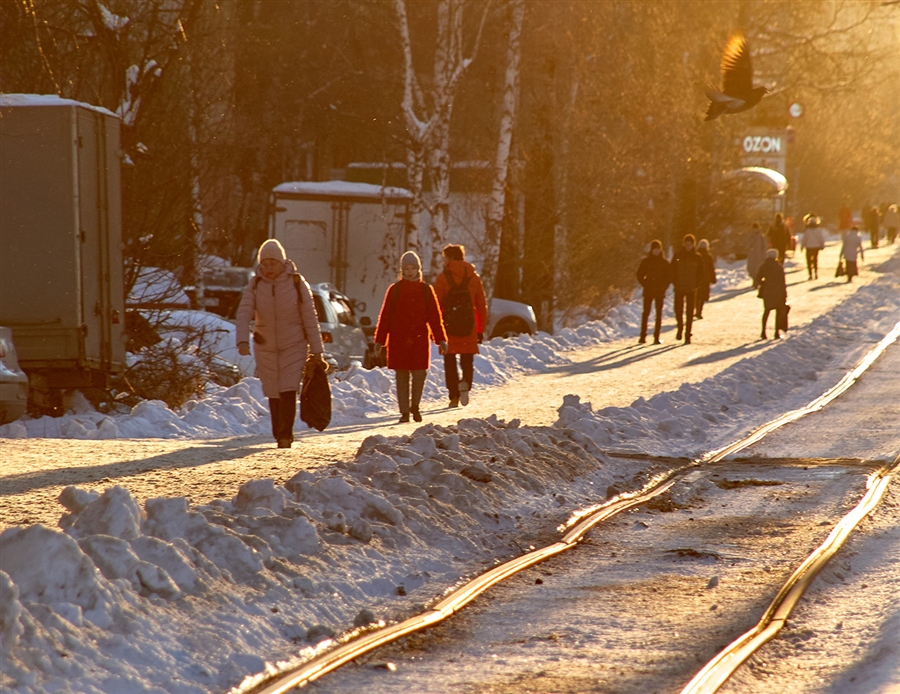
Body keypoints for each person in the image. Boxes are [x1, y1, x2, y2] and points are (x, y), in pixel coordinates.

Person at [236, 239, 326, 448]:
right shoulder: (255, 284)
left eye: (273, 263)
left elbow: (310, 317)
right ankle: (279, 432)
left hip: (294, 343)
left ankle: (286, 434)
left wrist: (317, 351)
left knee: (288, 388)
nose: (268, 268)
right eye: (265, 264)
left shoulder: (296, 282)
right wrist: (242, 340)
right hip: (265, 344)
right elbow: (244, 314)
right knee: (273, 390)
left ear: (282, 262)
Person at [373, 251, 447, 423]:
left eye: (413, 267)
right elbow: (385, 317)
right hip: (398, 339)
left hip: (419, 338)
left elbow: (435, 318)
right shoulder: (395, 290)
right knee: (401, 376)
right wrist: (379, 341)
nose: (410, 271)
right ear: (402, 270)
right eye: (406, 268)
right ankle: (404, 411)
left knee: (420, 374)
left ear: (418, 269)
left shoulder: (426, 290)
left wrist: (441, 339)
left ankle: (415, 406)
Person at [433, 244, 488, 408]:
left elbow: (436, 305)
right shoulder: (474, 277)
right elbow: (481, 306)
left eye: (444, 258)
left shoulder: (443, 278)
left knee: (449, 361)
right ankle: (465, 383)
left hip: (448, 326)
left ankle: (453, 396)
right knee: (467, 360)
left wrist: (435, 329)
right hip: (468, 325)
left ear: (449, 258)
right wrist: (480, 329)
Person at [635, 240, 672, 344]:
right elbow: (639, 275)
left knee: (659, 314)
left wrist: (664, 286)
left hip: (659, 291)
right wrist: (645, 284)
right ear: (651, 250)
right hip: (649, 290)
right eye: (654, 249)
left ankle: (656, 337)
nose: (656, 251)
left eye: (658, 249)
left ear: (660, 250)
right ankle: (643, 336)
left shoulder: (664, 263)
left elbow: (669, 277)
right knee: (646, 313)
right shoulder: (646, 261)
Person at [670, 233, 701, 344]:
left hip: (691, 288)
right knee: (678, 310)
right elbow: (672, 270)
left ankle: (688, 334)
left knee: (689, 312)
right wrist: (674, 281)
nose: (688, 246)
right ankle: (680, 327)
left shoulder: (697, 258)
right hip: (679, 287)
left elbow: (701, 273)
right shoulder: (677, 256)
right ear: (683, 244)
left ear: (693, 245)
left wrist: (696, 284)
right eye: (686, 244)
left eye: (690, 244)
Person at [755, 248, 787, 340]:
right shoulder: (778, 266)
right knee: (778, 312)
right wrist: (784, 294)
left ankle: (763, 332)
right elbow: (782, 282)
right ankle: (776, 333)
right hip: (777, 291)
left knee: (766, 311)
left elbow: (757, 278)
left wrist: (764, 284)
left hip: (767, 292)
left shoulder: (764, 266)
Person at [694, 239, 717, 320]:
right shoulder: (708, 257)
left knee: (696, 295)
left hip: (697, 278)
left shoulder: (696, 255)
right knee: (702, 296)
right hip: (705, 279)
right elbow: (711, 268)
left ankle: (696, 309)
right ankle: (699, 311)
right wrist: (713, 278)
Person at [801, 213, 826, 280]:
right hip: (816, 247)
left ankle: (810, 274)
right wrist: (822, 245)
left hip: (809, 247)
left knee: (809, 261)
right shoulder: (818, 230)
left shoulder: (807, 230)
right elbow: (821, 238)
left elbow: (804, 239)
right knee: (815, 260)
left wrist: (802, 246)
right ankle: (815, 272)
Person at [746, 222, 768, 289]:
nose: (755, 230)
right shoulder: (750, 237)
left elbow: (764, 247)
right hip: (752, 256)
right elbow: (747, 246)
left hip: (759, 256)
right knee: (751, 269)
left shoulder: (761, 237)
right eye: (754, 229)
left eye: (756, 228)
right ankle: (754, 280)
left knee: (758, 270)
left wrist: (763, 255)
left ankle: (756, 282)